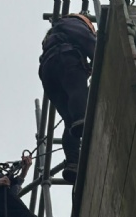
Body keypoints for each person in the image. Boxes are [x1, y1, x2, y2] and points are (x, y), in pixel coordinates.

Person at [39, 13, 96, 184]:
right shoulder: (71, 22)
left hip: (47, 71)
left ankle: (73, 163)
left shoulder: (52, 37)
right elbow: (87, 40)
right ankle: (81, 119)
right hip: (65, 57)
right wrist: (98, 58)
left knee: (69, 121)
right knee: (77, 90)